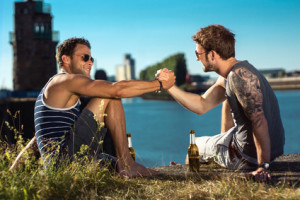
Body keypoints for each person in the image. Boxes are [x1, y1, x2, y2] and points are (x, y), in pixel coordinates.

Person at [10, 37, 175, 178]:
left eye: (92, 59)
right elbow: (117, 89)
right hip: (66, 162)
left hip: (63, 163)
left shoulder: (55, 88)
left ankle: (125, 164)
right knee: (109, 95)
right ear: (66, 59)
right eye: (85, 57)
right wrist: (159, 84)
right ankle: (128, 165)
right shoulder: (65, 81)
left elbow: (37, 139)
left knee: (113, 163)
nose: (90, 62)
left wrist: (12, 172)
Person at [157, 25, 285, 182]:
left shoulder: (238, 77)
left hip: (250, 156)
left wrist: (262, 166)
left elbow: (259, 121)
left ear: (212, 54)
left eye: (198, 53)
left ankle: (191, 180)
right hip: (273, 149)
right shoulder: (236, 72)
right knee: (228, 101)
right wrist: (169, 87)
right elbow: (202, 104)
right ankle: (219, 153)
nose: (196, 58)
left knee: (195, 144)